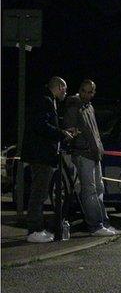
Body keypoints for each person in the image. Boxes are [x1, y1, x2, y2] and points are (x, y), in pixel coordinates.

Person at [64, 80, 121, 236]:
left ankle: (103, 223)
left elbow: (94, 131)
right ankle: (96, 225)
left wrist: (99, 148)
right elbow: (69, 130)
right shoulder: (74, 106)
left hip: (94, 153)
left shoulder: (89, 107)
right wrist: (80, 145)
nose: (86, 94)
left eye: (90, 92)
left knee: (99, 188)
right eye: (84, 91)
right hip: (84, 154)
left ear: (94, 93)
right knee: (90, 190)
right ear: (80, 90)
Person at [22, 77, 74, 243]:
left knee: (41, 192)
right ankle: (34, 231)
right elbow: (41, 125)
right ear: (59, 87)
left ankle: (37, 229)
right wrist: (61, 133)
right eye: (64, 89)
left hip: (41, 155)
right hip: (41, 155)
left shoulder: (47, 100)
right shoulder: (45, 101)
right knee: (39, 193)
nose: (65, 93)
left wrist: (62, 131)